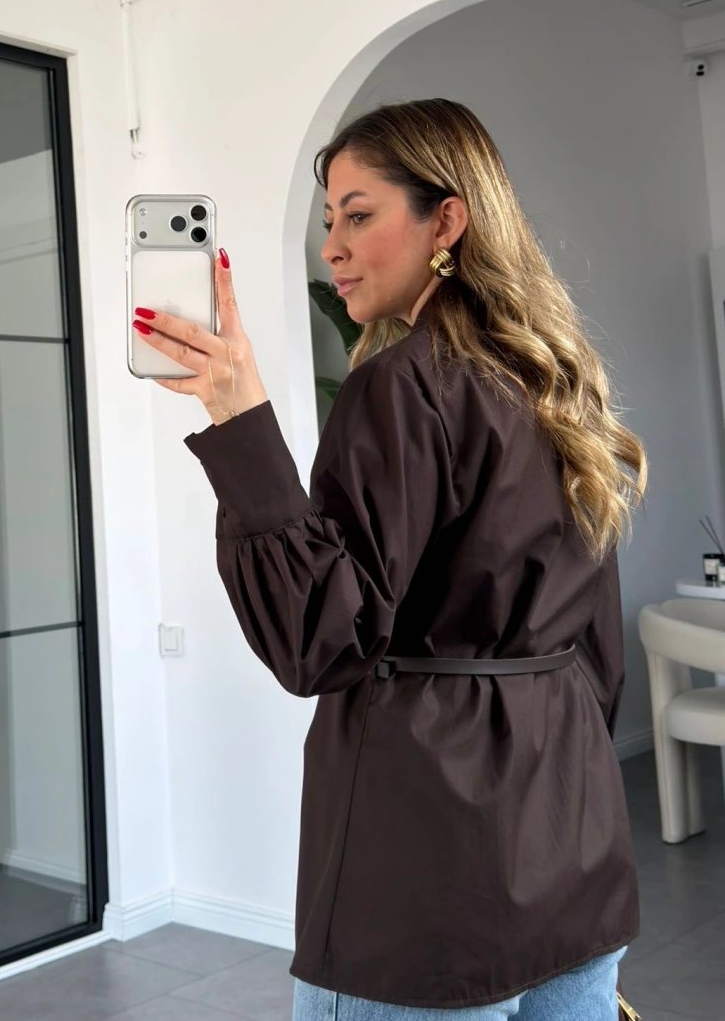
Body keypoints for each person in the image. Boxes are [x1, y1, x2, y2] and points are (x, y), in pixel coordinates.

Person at [130, 100, 646, 1021]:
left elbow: (318, 640)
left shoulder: (404, 385)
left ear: (446, 221)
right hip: (576, 849)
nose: (332, 247)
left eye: (359, 215)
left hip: (428, 883)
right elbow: (599, 650)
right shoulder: (559, 381)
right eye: (330, 219)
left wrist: (237, 419)